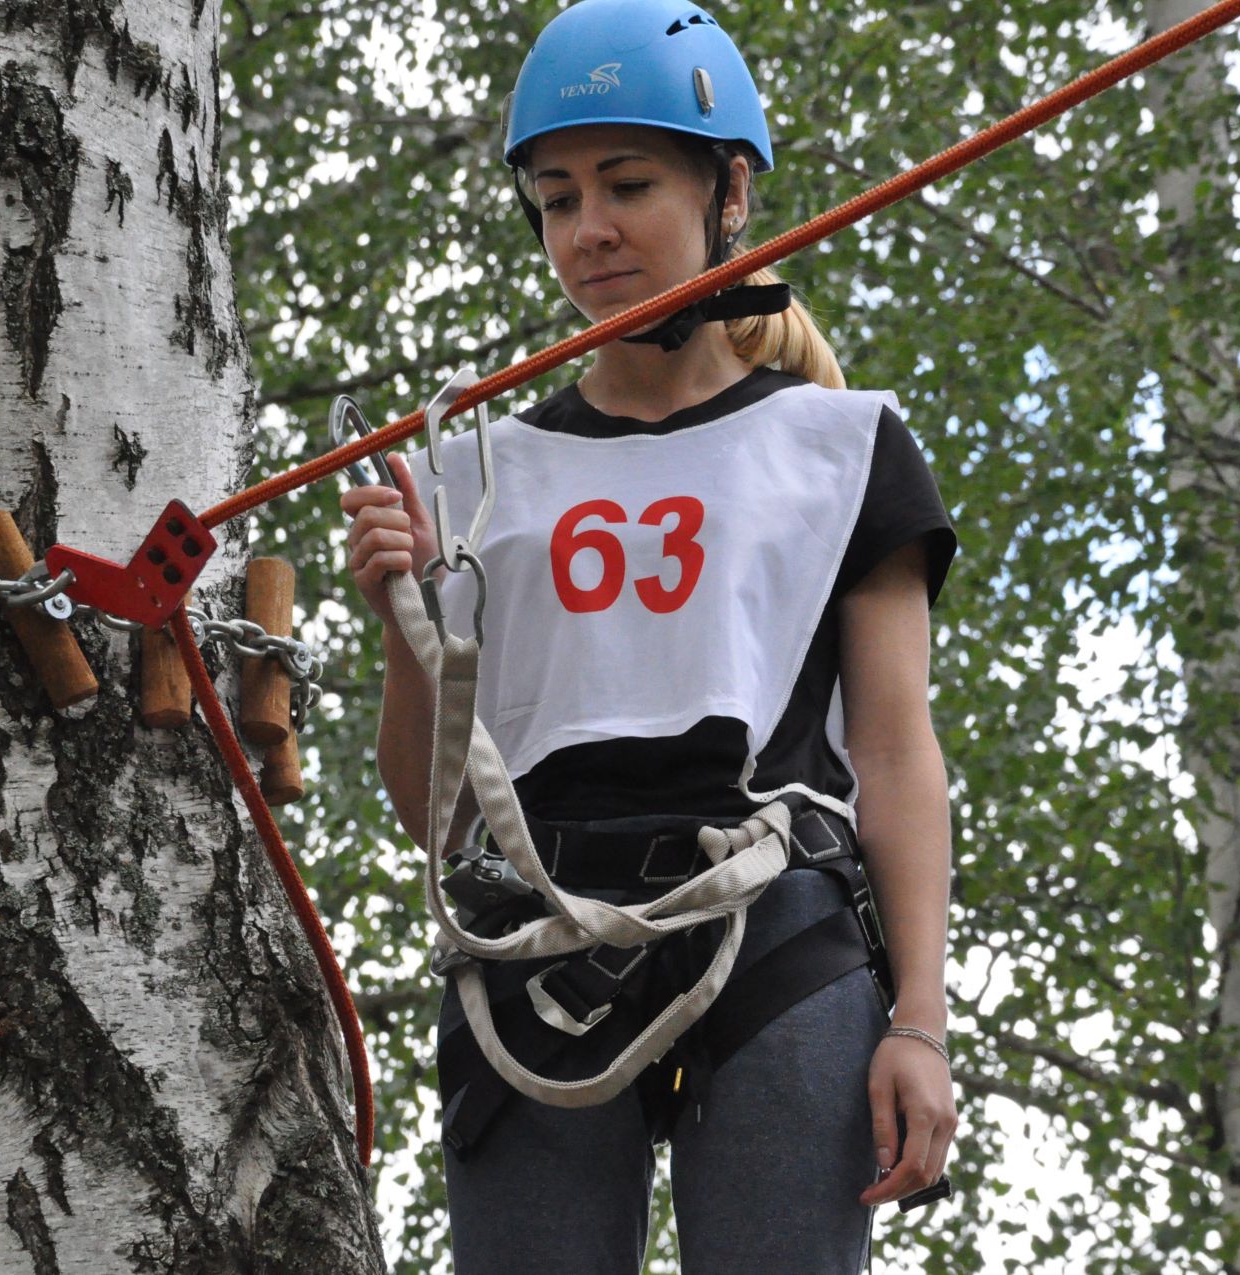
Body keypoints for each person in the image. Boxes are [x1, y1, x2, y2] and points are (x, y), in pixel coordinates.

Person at [340, 1, 957, 1269]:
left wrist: (923, 1023)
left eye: (627, 184)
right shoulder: (473, 472)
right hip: (536, 934)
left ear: (729, 190)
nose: (590, 229)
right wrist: (401, 627)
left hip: (776, 924)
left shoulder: (843, 448)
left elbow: (895, 755)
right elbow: (435, 815)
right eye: (557, 199)